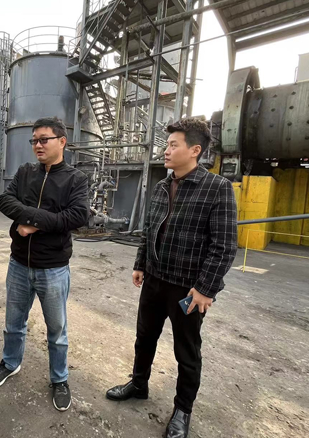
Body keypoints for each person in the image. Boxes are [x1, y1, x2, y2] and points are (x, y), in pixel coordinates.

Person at [105, 118, 238, 438]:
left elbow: (224, 245)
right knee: (144, 338)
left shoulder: (217, 188)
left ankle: (183, 410)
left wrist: (205, 289)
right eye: (167, 145)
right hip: (154, 280)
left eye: (173, 145)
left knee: (186, 351)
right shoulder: (162, 186)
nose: (166, 151)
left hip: (188, 289)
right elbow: (150, 228)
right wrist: (141, 263)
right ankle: (139, 385)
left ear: (194, 150)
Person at [0, 117, 89, 412]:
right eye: (34, 141)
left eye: (44, 139)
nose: (37, 145)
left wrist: (34, 224)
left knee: (57, 329)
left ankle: (59, 378)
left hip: (53, 268)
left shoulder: (75, 179)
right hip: (19, 264)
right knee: (13, 323)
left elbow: (77, 216)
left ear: (62, 141)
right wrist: (36, 218)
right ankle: (10, 363)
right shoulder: (25, 172)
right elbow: (5, 201)